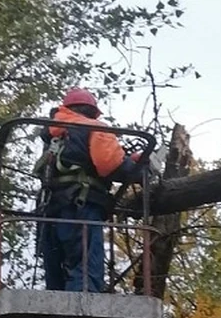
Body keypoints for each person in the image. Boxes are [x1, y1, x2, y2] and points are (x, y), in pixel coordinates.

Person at [35, 87, 146, 292]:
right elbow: (110, 165)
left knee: (56, 273)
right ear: (91, 111)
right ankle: (81, 313)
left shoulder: (55, 133)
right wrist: (136, 167)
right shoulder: (94, 127)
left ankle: (58, 315)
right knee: (86, 268)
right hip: (81, 209)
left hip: (49, 212)